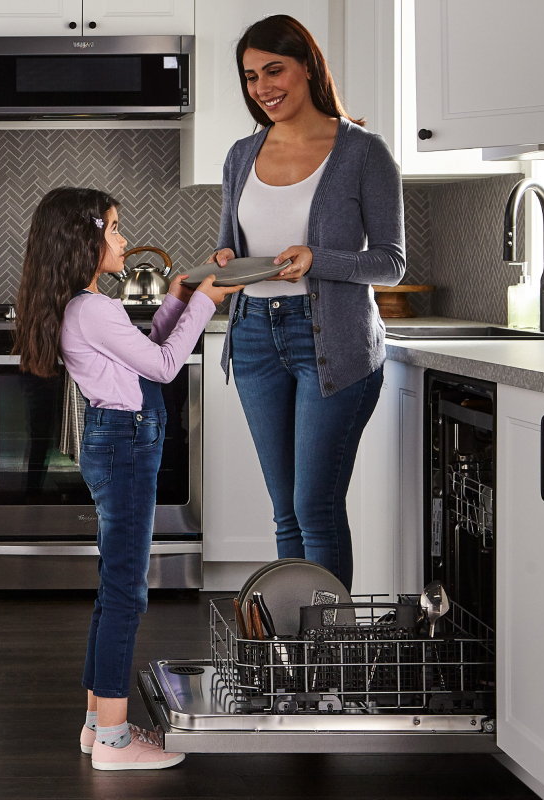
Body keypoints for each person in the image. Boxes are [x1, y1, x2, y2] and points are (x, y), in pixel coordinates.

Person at [14, 187, 240, 770]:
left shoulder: (87, 306)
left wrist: (177, 299)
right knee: (125, 593)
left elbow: (145, 350)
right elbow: (165, 366)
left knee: (113, 587)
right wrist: (206, 304)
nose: (121, 239)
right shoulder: (93, 309)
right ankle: (114, 743)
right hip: (125, 444)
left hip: (118, 440)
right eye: (114, 229)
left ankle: (98, 724)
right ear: (84, 240)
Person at [206, 15, 405, 591]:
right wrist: (224, 261)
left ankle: (329, 655)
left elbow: (391, 263)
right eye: (250, 76)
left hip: (333, 344)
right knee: (286, 512)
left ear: (308, 68)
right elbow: (230, 245)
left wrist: (319, 259)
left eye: (274, 70)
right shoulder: (242, 154)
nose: (263, 87)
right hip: (253, 339)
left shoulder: (365, 152)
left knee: (315, 506)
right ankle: (296, 656)